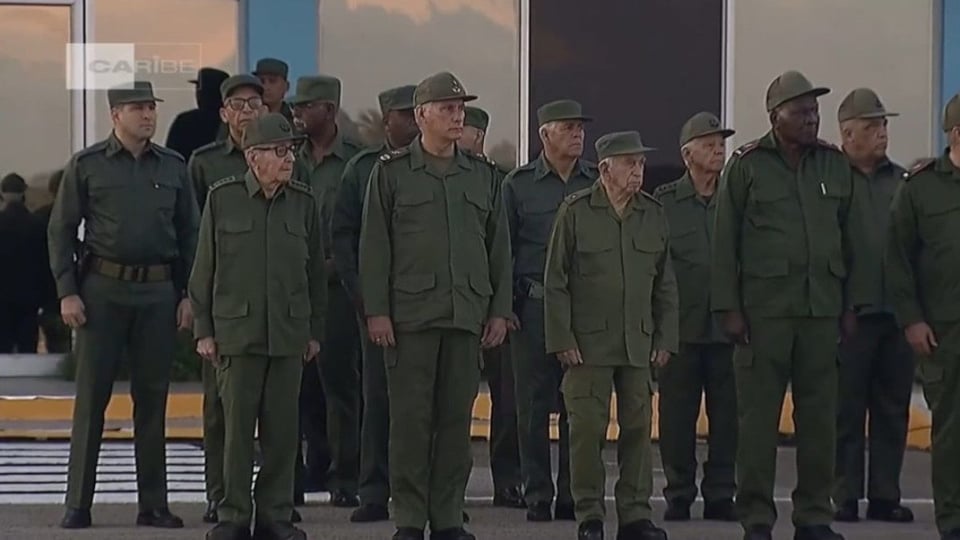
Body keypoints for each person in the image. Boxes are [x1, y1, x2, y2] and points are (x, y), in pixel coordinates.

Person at [360, 71, 511, 540]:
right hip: (411, 318)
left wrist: (499, 310)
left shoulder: (482, 175)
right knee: (410, 423)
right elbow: (374, 246)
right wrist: (377, 311)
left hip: (465, 314)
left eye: (460, 108)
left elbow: (499, 248)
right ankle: (410, 517)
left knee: (454, 423)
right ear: (422, 115)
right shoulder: (391, 173)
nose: (457, 116)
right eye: (447, 108)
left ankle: (447, 516)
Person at [711, 70, 861, 540]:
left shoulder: (833, 166)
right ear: (776, 116)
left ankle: (814, 517)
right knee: (758, 423)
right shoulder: (747, 166)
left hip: (821, 313)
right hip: (764, 315)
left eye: (815, 111)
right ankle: (757, 519)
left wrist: (850, 306)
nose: (812, 118)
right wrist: (729, 308)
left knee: (819, 422)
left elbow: (852, 239)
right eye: (801, 111)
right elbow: (724, 242)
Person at [48, 81, 198, 529]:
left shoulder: (173, 166)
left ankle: (153, 505)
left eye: (151, 107)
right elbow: (61, 230)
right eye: (138, 108)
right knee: (91, 399)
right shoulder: (87, 165)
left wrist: (188, 294)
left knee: (152, 401)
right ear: (116, 115)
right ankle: (78, 503)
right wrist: (67, 290)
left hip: (157, 292)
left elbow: (190, 234)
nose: (148, 115)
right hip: (103, 291)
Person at [189, 112, 324, 540]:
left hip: (287, 334)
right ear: (253, 157)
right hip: (237, 334)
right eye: (279, 151)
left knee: (283, 433)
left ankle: (275, 515)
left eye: (292, 151)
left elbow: (315, 276)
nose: (289, 159)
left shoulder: (304, 203)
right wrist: (204, 330)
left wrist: (314, 331)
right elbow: (204, 270)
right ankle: (233, 515)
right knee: (235, 433)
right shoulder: (223, 198)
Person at [544, 131, 678, 540]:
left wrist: (666, 338)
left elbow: (665, 283)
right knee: (587, 431)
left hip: (638, 341)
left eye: (641, 163)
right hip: (587, 345)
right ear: (605, 169)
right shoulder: (576, 212)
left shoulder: (652, 213)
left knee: (638, 428)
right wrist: (562, 338)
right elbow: (556, 281)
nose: (638, 171)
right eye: (630, 164)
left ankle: (635, 516)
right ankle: (589, 515)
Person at [502, 99, 596, 522]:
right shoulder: (518, 185)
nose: (578, 134)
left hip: (582, 310)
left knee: (578, 404)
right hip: (534, 308)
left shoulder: (595, 180)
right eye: (568, 127)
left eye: (580, 128)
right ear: (544, 134)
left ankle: (573, 494)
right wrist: (504, 307)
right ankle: (538, 492)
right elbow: (502, 249)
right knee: (533, 406)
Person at [332, 84, 419, 523]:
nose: (415, 121)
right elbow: (343, 235)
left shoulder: (441, 166)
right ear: (387, 121)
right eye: (406, 114)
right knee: (378, 400)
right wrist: (363, 298)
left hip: (428, 304)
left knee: (428, 406)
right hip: (380, 306)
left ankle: (430, 496)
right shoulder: (363, 169)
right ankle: (373, 491)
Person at [832, 88, 914, 524]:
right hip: (851, 316)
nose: (882, 132)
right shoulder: (831, 183)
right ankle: (842, 495)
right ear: (848, 135)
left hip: (896, 315)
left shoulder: (902, 182)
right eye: (872, 126)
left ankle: (885, 495)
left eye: (883, 125)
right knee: (845, 410)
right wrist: (839, 306)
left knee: (892, 409)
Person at [187, 73, 265, 524]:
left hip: (272, 300)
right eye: (238, 105)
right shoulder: (205, 164)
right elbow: (193, 239)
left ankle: (273, 499)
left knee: (275, 409)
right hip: (224, 303)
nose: (246, 112)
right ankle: (218, 494)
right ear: (223, 113)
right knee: (219, 408)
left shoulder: (285, 157)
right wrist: (196, 306)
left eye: (254, 104)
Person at [653, 112, 737, 523]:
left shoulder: (736, 198)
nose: (718, 150)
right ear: (688, 155)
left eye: (721, 143)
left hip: (729, 329)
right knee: (676, 420)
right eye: (709, 144)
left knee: (729, 418)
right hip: (681, 331)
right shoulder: (665, 202)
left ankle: (721, 493)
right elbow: (655, 268)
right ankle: (679, 493)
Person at [886, 92, 960, 540]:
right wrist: (911, 319)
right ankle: (953, 518)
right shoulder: (920, 188)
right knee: (951, 429)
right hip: (945, 332)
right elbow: (897, 259)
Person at [291, 74, 364, 507]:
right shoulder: (287, 157)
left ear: (330, 110)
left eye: (306, 107)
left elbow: (363, 227)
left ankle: (345, 475)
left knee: (339, 386)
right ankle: (307, 469)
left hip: (337, 291)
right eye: (295, 107)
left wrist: (339, 266)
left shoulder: (355, 162)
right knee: (297, 389)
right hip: (293, 289)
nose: (297, 114)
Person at [461, 105, 524, 510]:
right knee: (452, 403)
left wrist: (503, 306)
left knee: (507, 402)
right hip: (458, 307)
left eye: (464, 128)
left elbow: (506, 250)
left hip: (496, 310)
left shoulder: (500, 183)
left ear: (479, 136)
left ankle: (508, 482)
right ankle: (449, 487)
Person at [0, 173, 46, 353]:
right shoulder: (37, 224)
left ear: (2, 193)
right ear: (24, 193)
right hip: (29, 297)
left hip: (2, 296)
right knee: (28, 349)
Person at [33, 169, 72, 354]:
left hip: (47, 287)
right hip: (77, 287)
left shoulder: (39, 217)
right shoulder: (87, 215)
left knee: (55, 339)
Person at [166, 67, 230, 159]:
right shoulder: (232, 120)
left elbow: (169, 158)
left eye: (198, 89)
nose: (196, 93)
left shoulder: (184, 121)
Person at [254, 58, 294, 123]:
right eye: (262, 81)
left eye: (272, 81)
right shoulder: (248, 115)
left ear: (286, 86)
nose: (266, 87)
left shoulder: (295, 117)